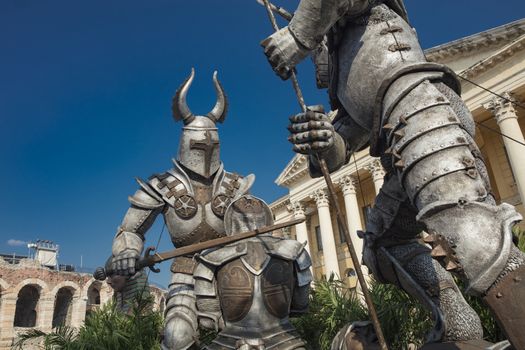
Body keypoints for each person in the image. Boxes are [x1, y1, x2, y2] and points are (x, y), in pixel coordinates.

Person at [260, 1, 525, 348]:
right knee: (384, 247)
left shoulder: (364, 13)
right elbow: (345, 142)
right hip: (399, 144)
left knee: (470, 228)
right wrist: (321, 140)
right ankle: (460, 330)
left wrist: (297, 34)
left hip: (418, 105)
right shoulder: (347, 74)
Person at [110, 69, 254, 350]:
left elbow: (253, 228)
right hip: (184, 276)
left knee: (252, 338)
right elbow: (131, 229)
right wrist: (127, 252)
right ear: (186, 141)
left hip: (231, 274)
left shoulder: (236, 185)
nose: (206, 147)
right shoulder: (161, 185)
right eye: (199, 142)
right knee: (176, 336)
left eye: (211, 142)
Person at [193, 195, 312, 350]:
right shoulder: (295, 251)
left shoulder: (211, 257)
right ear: (266, 217)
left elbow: (208, 320)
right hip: (285, 341)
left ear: (231, 220)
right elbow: (300, 305)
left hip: (228, 342)